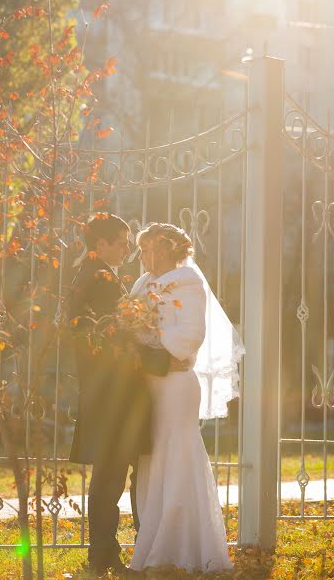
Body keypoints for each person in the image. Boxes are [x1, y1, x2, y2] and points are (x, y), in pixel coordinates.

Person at [129, 222, 244, 574]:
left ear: (166, 249)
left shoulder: (188, 283)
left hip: (177, 386)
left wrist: (151, 333)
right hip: (149, 383)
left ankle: (179, 546)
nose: (143, 256)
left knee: (177, 456)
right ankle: (152, 538)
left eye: (148, 248)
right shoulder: (141, 284)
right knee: (153, 458)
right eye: (142, 249)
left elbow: (191, 335)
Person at [68, 213, 173, 575]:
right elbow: (118, 335)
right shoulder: (100, 280)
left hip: (110, 393)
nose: (128, 248)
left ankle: (122, 551)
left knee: (120, 474)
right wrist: (162, 361)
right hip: (115, 395)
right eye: (122, 241)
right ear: (101, 244)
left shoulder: (95, 276)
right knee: (112, 477)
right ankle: (105, 557)